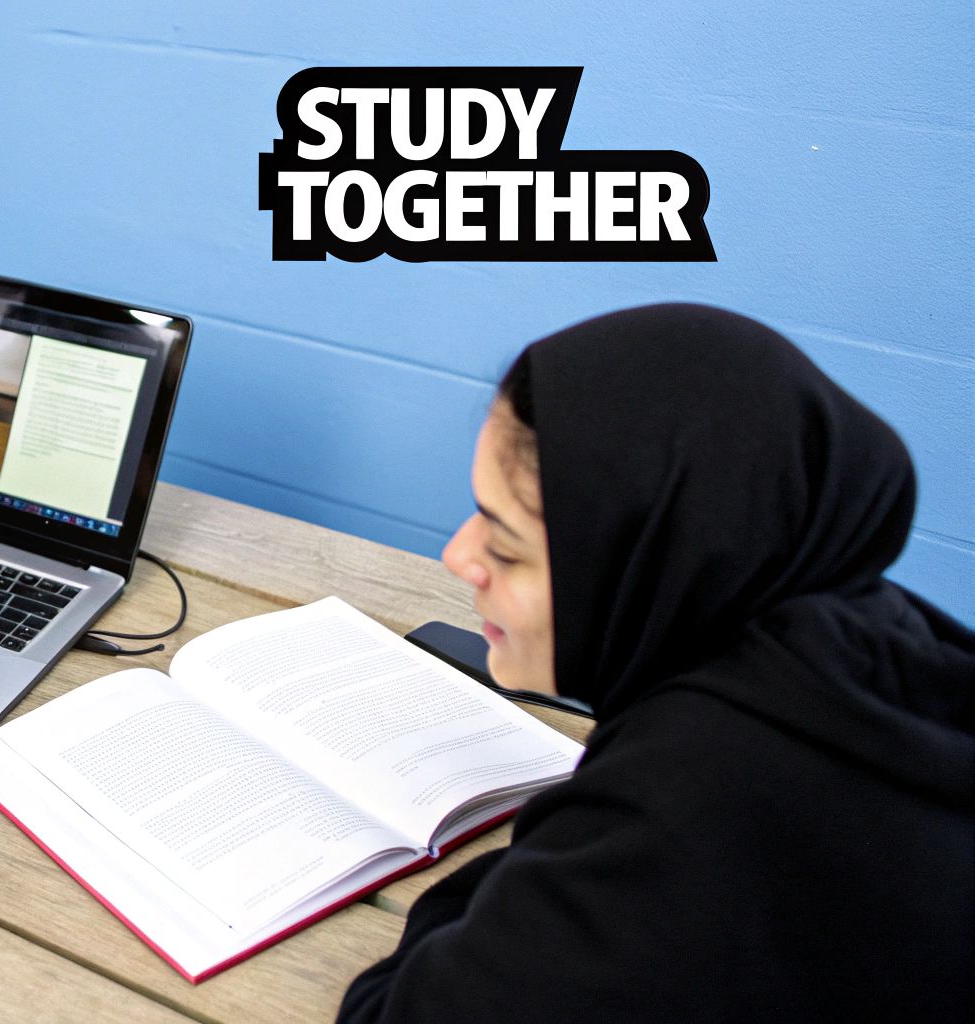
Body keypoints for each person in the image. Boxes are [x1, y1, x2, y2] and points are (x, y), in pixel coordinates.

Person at [337, 305, 974, 1021]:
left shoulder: (686, 811)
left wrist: (510, 874)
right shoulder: (880, 641)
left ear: (641, 567)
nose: (460, 555)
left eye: (507, 546)